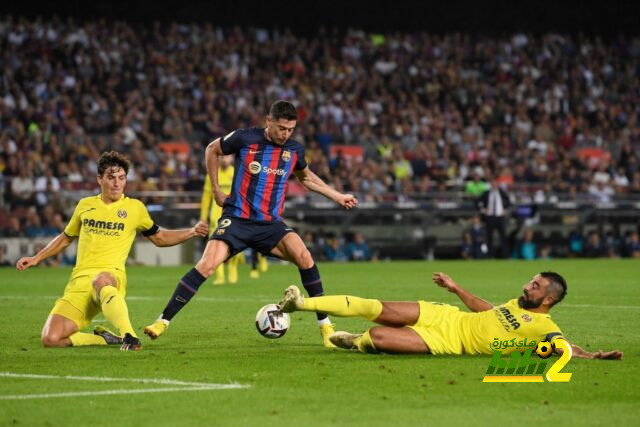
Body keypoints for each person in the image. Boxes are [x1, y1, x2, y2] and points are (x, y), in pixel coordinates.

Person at [144, 100, 358, 347]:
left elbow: (306, 178)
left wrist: (338, 196)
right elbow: (211, 149)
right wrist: (215, 189)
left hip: (270, 225)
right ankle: (162, 321)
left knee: (305, 256)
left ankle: (326, 329)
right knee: (207, 264)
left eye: (290, 130)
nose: (285, 134)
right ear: (269, 121)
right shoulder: (246, 138)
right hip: (236, 219)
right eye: (281, 128)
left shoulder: (294, 150)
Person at [16, 151, 208, 351]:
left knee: (101, 280)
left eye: (121, 178)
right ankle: (106, 339)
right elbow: (66, 237)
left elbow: (159, 237)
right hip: (79, 282)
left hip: (111, 276)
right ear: (100, 179)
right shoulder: (85, 205)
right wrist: (37, 258)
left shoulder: (135, 208)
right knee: (51, 338)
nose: (117, 183)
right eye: (111, 177)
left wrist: (192, 231)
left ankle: (129, 335)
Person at [277, 272, 623, 360]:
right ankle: (301, 304)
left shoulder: (545, 326)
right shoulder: (517, 304)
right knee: (376, 308)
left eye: (535, 286)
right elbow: (485, 308)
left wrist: (592, 355)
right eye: (531, 281)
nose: (527, 286)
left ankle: (355, 341)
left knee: (377, 337)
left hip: (448, 341)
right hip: (447, 317)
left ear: (548, 299)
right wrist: (456, 288)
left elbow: (563, 347)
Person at [200, 154, 241, 284]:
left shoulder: (237, 172)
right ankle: (220, 276)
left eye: (227, 157)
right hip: (216, 215)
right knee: (215, 245)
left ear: (232, 159)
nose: (224, 159)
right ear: (218, 159)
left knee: (235, 243)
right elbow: (206, 197)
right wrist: (203, 218)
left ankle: (233, 270)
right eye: (222, 157)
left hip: (233, 213)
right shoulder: (212, 175)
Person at [476, 178, 511, 258]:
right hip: (490, 217)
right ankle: (490, 255)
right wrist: (483, 210)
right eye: (493, 183)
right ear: (491, 184)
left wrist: (505, 209)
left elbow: (509, 202)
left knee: (503, 237)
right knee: (489, 237)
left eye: (496, 183)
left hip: (500, 217)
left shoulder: (502, 193)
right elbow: (477, 202)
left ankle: (505, 255)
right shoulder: (486, 193)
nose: (494, 185)